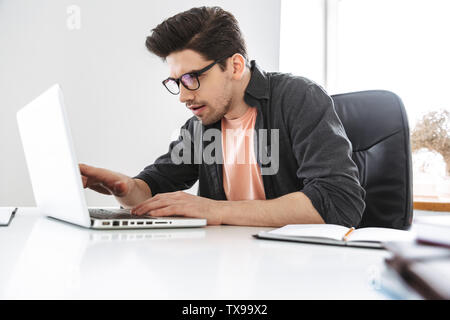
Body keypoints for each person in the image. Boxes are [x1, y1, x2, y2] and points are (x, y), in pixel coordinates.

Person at [80, 6, 365, 227]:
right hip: (225, 264)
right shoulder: (200, 127)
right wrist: (124, 187)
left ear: (235, 65)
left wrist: (214, 210)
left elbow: (339, 202)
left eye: (192, 78)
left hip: (294, 270)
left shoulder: (298, 98)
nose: (183, 95)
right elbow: (151, 190)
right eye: (176, 82)